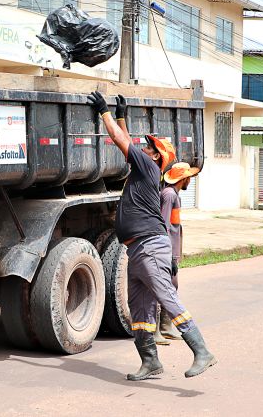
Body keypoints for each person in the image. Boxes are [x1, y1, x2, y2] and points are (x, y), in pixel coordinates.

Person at [87, 91, 216, 380]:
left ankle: (202, 352)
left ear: (157, 157)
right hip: (137, 249)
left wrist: (104, 112)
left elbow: (122, 142)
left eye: (149, 148)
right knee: (140, 308)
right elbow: (128, 141)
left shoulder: (147, 166)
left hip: (150, 246)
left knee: (166, 298)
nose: (143, 149)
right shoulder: (143, 169)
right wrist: (122, 115)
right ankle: (150, 362)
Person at [156, 162, 200, 343]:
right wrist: (167, 255)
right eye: (189, 177)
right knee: (162, 289)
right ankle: (155, 332)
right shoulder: (168, 195)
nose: (190, 180)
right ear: (184, 179)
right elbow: (163, 226)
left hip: (172, 251)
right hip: (167, 251)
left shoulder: (174, 195)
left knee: (172, 287)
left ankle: (165, 327)